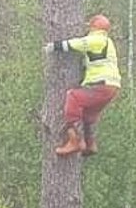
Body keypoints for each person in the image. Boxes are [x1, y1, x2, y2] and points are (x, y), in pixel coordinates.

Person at [42, 14, 121, 156]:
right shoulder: (108, 42)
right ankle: (90, 144)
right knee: (87, 115)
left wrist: (54, 47)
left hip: (100, 85)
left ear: (94, 27)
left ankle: (75, 140)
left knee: (74, 97)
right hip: (111, 87)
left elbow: (76, 44)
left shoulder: (96, 39)